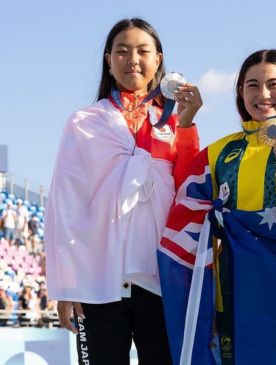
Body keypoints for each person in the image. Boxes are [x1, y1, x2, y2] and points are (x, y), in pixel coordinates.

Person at [45, 18, 202, 365]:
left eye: (143, 51)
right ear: (108, 59)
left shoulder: (176, 121)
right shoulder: (85, 122)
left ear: (158, 59)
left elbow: (189, 190)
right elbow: (66, 205)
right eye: (123, 51)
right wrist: (67, 287)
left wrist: (188, 125)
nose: (133, 58)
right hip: (98, 279)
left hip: (160, 276)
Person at [158, 49, 276, 365]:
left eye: (273, 84)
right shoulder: (221, 151)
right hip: (234, 296)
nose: (263, 94)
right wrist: (185, 124)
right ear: (240, 91)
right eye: (252, 85)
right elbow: (184, 199)